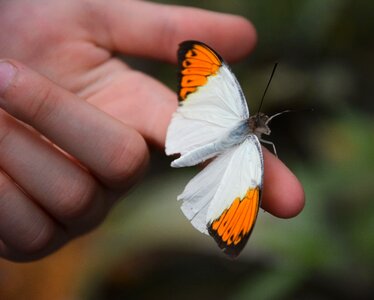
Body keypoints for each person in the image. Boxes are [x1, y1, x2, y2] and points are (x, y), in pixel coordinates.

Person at [0, 0, 304, 262]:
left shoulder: (234, 107)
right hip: (205, 142)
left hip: (195, 132)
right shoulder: (253, 156)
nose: (264, 124)